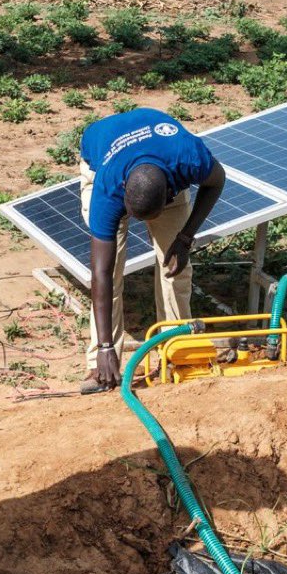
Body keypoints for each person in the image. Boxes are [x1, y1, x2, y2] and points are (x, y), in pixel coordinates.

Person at [79, 108, 226, 392]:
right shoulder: (107, 192)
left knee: (176, 269)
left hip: (158, 159)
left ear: (172, 189)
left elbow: (217, 181)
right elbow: (101, 273)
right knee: (112, 274)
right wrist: (105, 346)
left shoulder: (188, 157)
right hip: (102, 156)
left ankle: (175, 349)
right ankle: (100, 364)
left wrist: (185, 239)